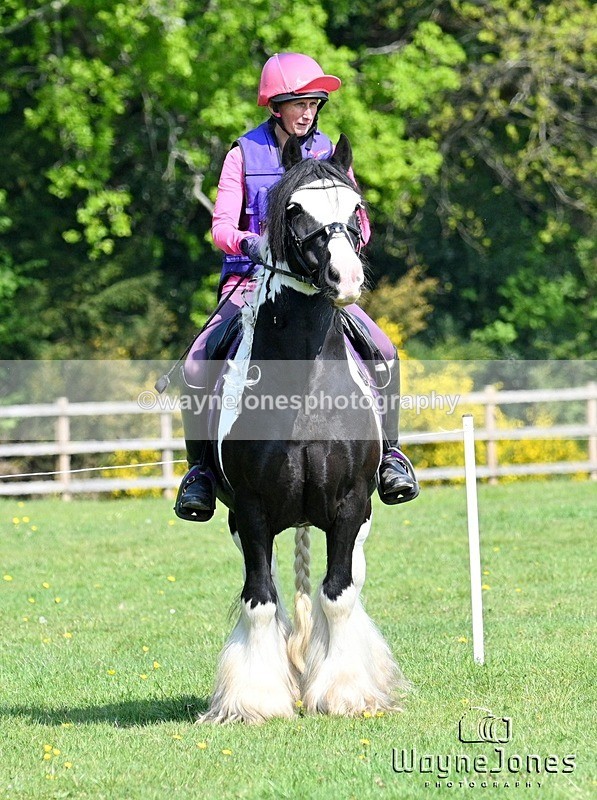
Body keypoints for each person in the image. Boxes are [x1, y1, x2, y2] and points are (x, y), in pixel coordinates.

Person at [174, 53, 419, 522]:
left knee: (385, 351)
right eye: (298, 104)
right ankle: (201, 471)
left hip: (318, 284)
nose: (307, 113)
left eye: (314, 104)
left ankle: (390, 455)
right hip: (251, 280)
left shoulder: (330, 154)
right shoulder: (242, 154)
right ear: (275, 106)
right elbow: (221, 227)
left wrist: (346, 245)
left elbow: (362, 222)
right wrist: (252, 244)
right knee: (197, 361)